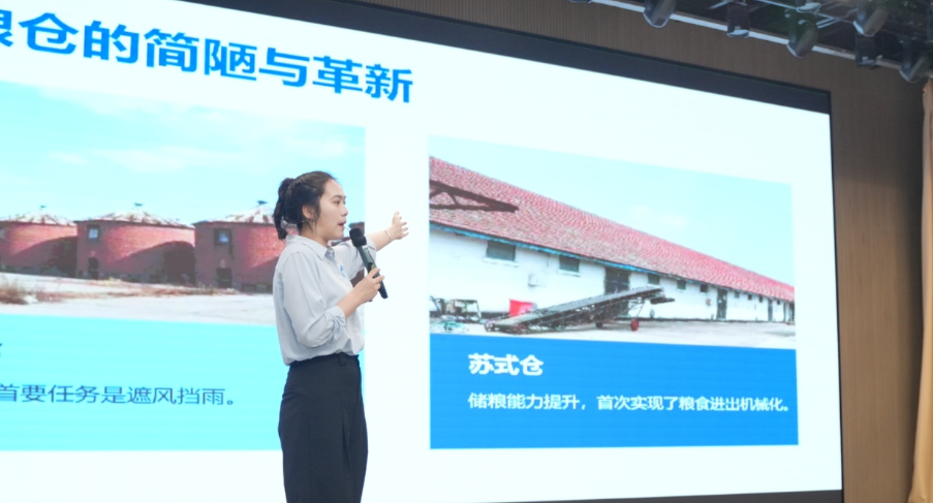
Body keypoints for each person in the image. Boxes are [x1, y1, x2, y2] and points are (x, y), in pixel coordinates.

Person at [271, 171, 408, 503]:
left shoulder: (329, 257)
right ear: (309, 211)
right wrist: (356, 296)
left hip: (343, 383)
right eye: (336, 202)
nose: (345, 210)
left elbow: (361, 247)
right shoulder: (299, 257)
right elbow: (311, 332)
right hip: (316, 388)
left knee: (345, 489)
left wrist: (392, 233)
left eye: (346, 201)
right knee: (322, 491)